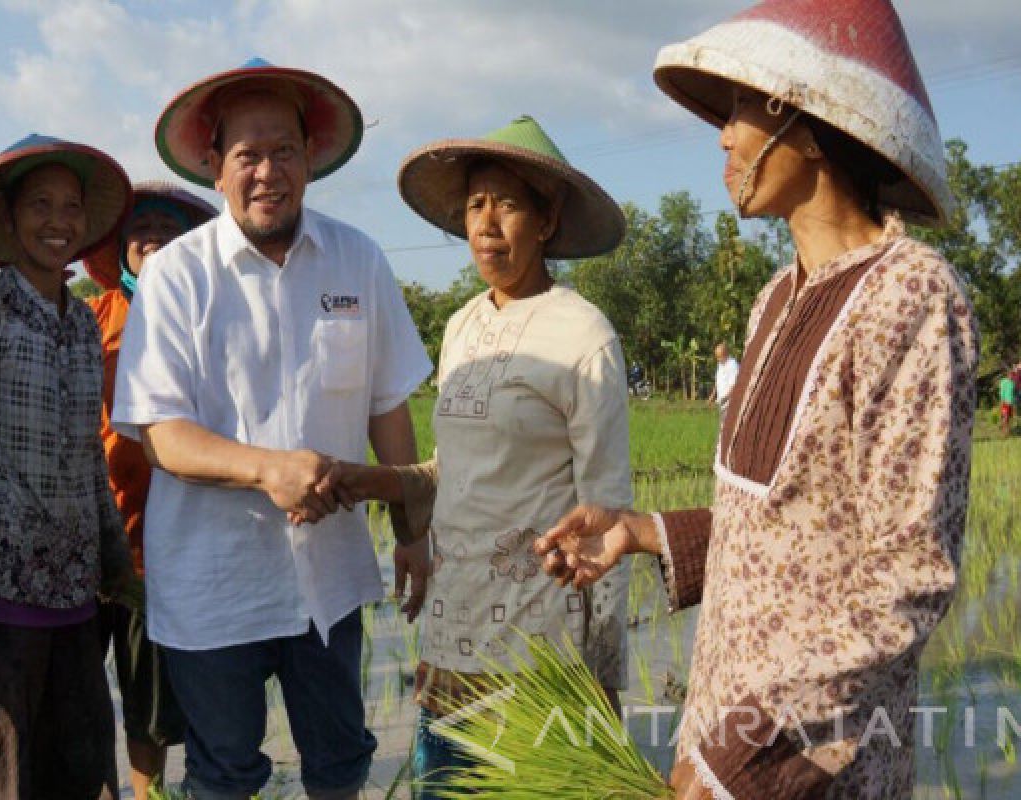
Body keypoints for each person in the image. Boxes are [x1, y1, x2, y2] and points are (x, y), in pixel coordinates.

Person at [535, 2, 979, 798]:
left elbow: (907, 575)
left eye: (740, 109)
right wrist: (638, 533)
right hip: (722, 729)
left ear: (804, 123)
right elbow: (788, 530)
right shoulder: (774, 296)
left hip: (814, 759)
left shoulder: (910, 294)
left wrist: (741, 757)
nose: (724, 137)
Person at [112, 58, 432, 800]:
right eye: (246, 155)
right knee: (224, 771)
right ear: (214, 168)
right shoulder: (176, 276)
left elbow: (388, 405)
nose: (267, 171)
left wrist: (412, 527)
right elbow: (159, 432)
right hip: (213, 579)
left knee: (341, 758)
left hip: (332, 574)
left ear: (310, 158)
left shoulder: (358, 258)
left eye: (283, 150)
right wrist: (268, 469)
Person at [334, 115, 631, 797]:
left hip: (540, 648)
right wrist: (376, 480)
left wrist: (604, 682)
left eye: (509, 204)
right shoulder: (462, 326)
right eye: (475, 205)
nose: (488, 224)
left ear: (547, 221)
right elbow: (454, 473)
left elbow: (608, 517)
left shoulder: (583, 336)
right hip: (451, 633)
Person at [0, 134, 133, 798]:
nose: (57, 221)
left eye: (71, 206)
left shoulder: (83, 324)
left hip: (71, 592)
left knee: (76, 764)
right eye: (39, 204)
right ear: (9, 220)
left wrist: (116, 562)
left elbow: (91, 454)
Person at [83, 181, 216, 800]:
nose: (153, 240)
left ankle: (148, 795)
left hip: (161, 540)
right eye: (141, 230)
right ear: (119, 248)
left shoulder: (204, 320)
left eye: (167, 229)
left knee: (148, 699)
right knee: (78, 691)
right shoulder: (89, 318)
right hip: (85, 533)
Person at [709, 342, 739, 416]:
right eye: (717, 357)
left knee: (728, 425)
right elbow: (718, 380)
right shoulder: (721, 363)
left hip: (730, 402)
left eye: (719, 357)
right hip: (722, 401)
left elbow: (734, 386)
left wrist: (725, 399)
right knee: (723, 425)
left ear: (726, 354)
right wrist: (713, 395)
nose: (718, 359)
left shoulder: (732, 365)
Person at [999, 369, 1017, 437]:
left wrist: (1014, 402)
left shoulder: (1013, 383)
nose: (1012, 377)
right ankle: (1004, 431)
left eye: (1013, 376)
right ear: (1008, 375)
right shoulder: (1003, 382)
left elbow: (1013, 393)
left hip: (1011, 402)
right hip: (1005, 402)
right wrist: (1002, 400)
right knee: (1005, 417)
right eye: (1011, 375)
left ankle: (1008, 430)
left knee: (1009, 417)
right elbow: (1001, 391)